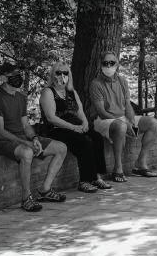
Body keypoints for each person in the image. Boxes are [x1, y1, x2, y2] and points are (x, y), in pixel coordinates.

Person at [0, 61, 68, 212]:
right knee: (27, 152)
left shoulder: (20, 97)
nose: (18, 77)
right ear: (3, 78)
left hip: (21, 138)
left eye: (19, 74)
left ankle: (45, 190)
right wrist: (26, 143)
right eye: (13, 75)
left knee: (61, 148)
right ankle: (26, 198)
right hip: (1, 142)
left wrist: (34, 139)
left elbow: (25, 125)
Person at [39, 61, 112, 193]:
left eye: (65, 73)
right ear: (53, 74)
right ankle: (84, 181)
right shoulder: (48, 92)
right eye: (58, 72)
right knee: (84, 142)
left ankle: (96, 177)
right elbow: (51, 118)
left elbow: (80, 111)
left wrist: (85, 123)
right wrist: (73, 127)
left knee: (97, 137)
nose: (62, 75)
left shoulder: (71, 92)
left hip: (75, 125)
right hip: (57, 129)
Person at [89, 51, 157, 182]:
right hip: (103, 120)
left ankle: (140, 164)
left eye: (112, 63)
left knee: (153, 123)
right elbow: (101, 112)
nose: (108, 66)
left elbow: (127, 105)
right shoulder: (96, 84)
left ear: (117, 64)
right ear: (100, 65)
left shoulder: (122, 81)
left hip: (122, 118)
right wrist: (125, 123)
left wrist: (131, 120)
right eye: (105, 63)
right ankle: (118, 169)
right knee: (121, 126)